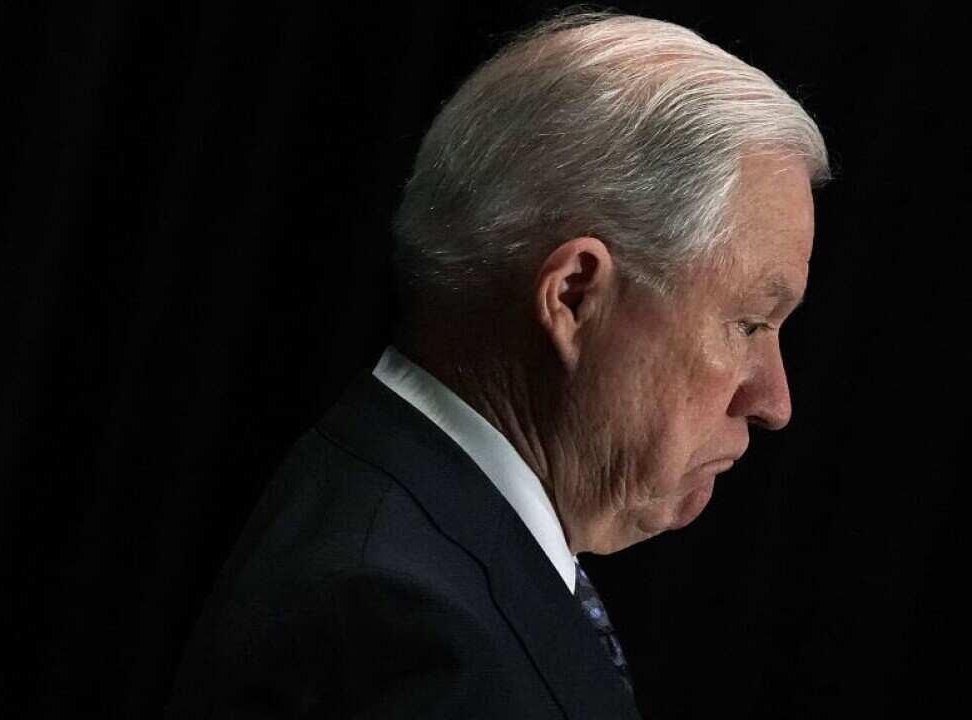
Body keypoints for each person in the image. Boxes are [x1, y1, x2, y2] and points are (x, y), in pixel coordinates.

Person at [168, 9, 829, 718]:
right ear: (575, 295)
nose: (774, 400)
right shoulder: (415, 639)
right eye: (749, 322)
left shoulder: (403, 514)